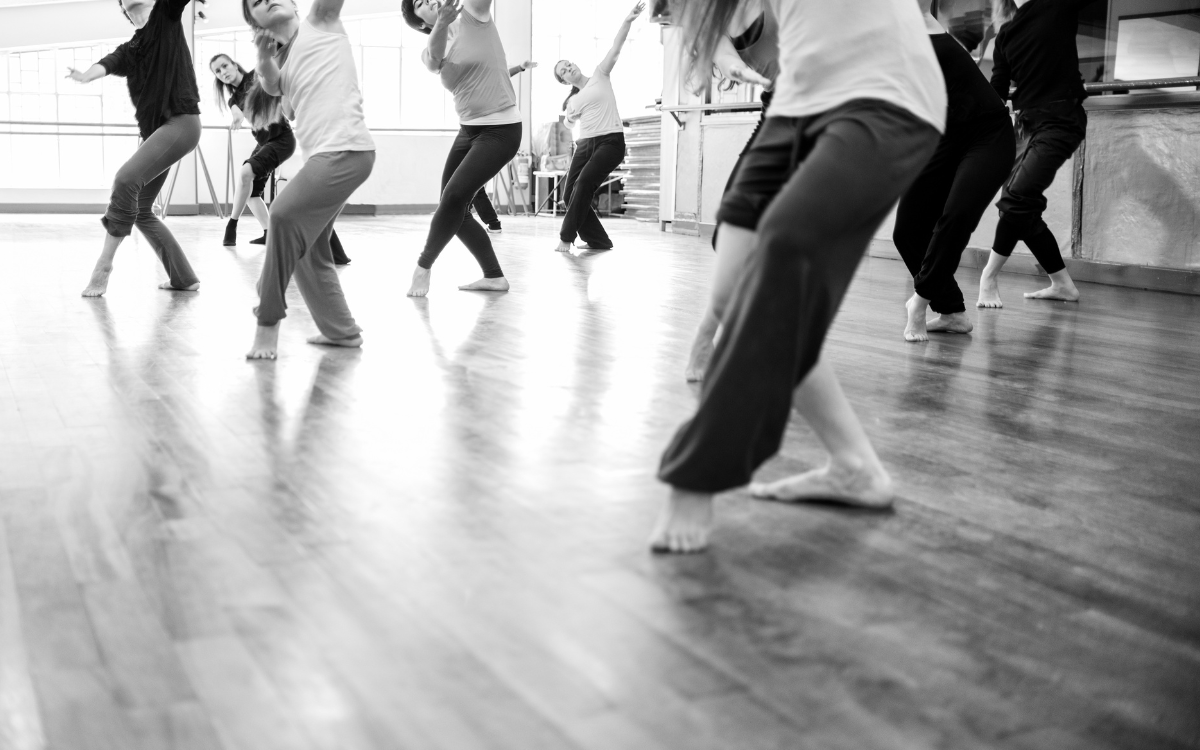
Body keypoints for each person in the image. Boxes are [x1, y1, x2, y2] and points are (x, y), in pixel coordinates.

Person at [649, 0, 945, 553]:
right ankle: (855, 465)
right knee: (735, 289)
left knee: (781, 250)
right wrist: (720, 54)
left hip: (887, 98)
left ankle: (699, 471)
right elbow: (707, 23)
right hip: (795, 103)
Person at [243, 0, 375, 359]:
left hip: (346, 151)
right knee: (310, 250)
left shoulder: (321, 20)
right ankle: (341, 332)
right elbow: (272, 85)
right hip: (327, 157)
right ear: (255, 20)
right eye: (255, 2)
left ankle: (267, 323)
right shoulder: (281, 65)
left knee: (283, 216)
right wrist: (262, 55)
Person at [893, 3, 1015, 341]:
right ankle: (952, 313)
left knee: (956, 215)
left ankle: (919, 302)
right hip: (943, 136)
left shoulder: (916, 16)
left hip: (989, 134)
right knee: (907, 231)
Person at [67, 0, 205, 298]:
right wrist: (85, 75)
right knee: (142, 209)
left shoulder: (165, 18)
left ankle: (104, 264)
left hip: (181, 122)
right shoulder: (130, 49)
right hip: (156, 134)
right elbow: (108, 63)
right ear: (123, 9)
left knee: (125, 179)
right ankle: (183, 278)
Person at [682, 0, 778, 381]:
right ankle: (714, 329)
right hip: (780, 115)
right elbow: (724, 55)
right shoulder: (718, 23)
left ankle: (736, 332)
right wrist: (739, 69)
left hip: (838, 113)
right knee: (730, 226)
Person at [401, 0, 518, 297]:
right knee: (453, 205)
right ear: (420, 22)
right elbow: (433, 62)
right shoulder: (432, 46)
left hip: (501, 130)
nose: (429, 1)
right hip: (469, 130)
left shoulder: (473, 14)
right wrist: (441, 24)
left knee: (454, 197)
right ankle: (494, 277)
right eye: (420, 4)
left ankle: (422, 268)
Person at [976, 0, 1088, 308]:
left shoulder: (1056, 6)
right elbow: (998, 88)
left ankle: (988, 277)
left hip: (1061, 120)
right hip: (1025, 127)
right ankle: (1063, 284)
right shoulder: (1006, 34)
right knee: (1017, 207)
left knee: (1016, 198)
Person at [210, 54, 351, 264]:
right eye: (218, 72)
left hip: (282, 139)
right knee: (250, 190)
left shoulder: (255, 77)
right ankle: (269, 233)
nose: (223, 73)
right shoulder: (233, 99)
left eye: (225, 66)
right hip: (265, 142)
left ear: (234, 64)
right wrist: (237, 116)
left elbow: (277, 76)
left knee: (246, 173)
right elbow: (236, 110)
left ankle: (232, 224)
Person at [551, 3, 645, 254]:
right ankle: (598, 240)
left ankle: (565, 238)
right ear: (563, 81)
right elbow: (569, 124)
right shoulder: (572, 101)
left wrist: (627, 21)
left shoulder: (599, 75)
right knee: (567, 194)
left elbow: (616, 48)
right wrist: (570, 117)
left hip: (610, 142)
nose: (569, 67)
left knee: (583, 185)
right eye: (564, 70)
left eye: (568, 63)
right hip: (585, 144)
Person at [469, 59, 537, 234]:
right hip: (479, 137)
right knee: (472, 184)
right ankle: (486, 221)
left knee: (473, 184)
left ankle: (491, 222)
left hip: (492, 138)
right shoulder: (474, 86)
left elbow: (504, 74)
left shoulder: (489, 86)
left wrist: (521, 67)